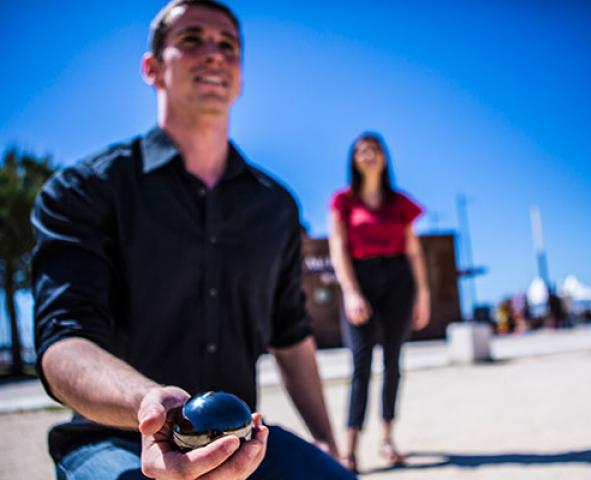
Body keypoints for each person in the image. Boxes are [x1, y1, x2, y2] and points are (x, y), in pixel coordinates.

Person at [30, 1, 356, 479]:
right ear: (152, 68)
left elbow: (291, 337)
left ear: (240, 78)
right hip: (112, 439)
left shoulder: (276, 208)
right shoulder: (85, 191)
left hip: (245, 443)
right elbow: (64, 345)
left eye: (228, 45)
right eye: (191, 40)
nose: (213, 54)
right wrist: (149, 406)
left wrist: (325, 440)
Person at [328, 132, 430, 473]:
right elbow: (338, 249)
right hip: (362, 280)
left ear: (384, 157)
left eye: (374, 150)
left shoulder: (399, 203)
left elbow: (414, 252)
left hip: (398, 281)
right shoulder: (343, 201)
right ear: (354, 159)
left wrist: (423, 295)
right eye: (361, 150)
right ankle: (350, 449)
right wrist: (351, 291)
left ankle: (387, 439)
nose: (368, 155)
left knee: (393, 362)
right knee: (360, 364)